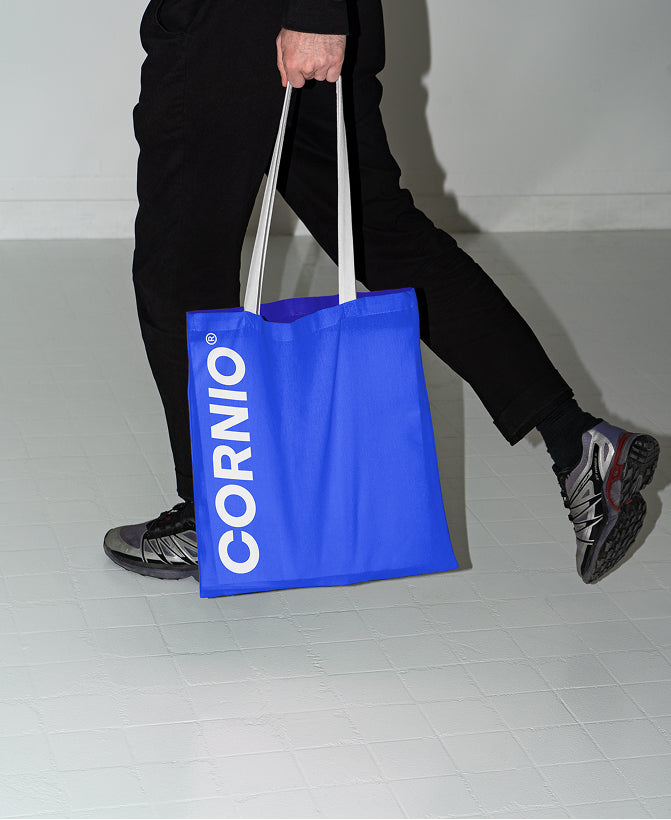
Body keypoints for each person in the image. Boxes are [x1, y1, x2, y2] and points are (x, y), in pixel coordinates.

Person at [104, 0, 659, 585]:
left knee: (180, 267)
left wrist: (315, 12)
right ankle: (577, 442)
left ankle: (218, 517)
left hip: (236, 26)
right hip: (290, 19)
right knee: (381, 236)